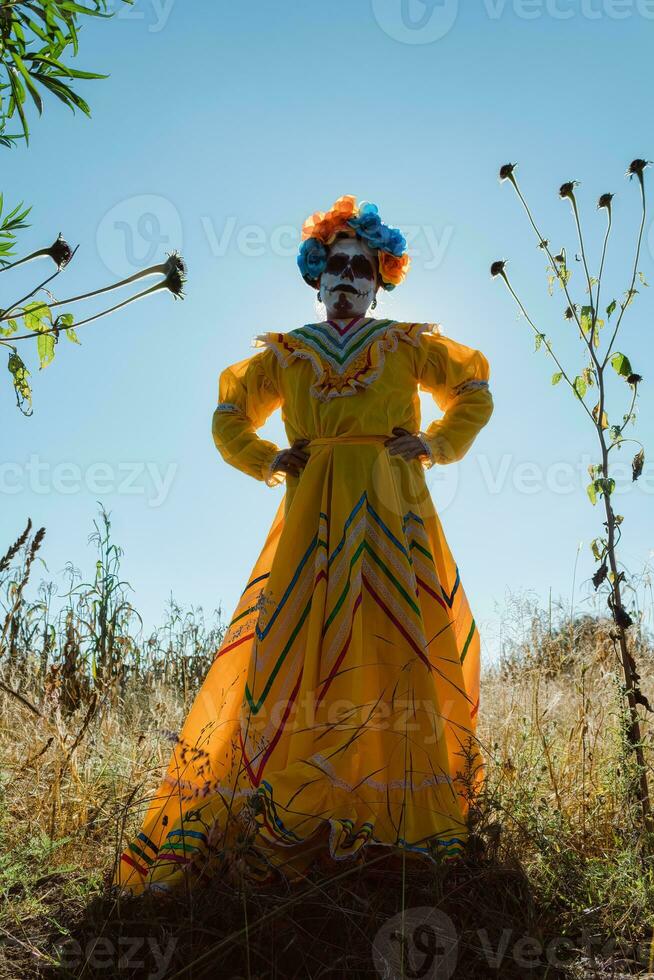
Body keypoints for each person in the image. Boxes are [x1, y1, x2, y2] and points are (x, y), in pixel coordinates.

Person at [114, 195, 493, 895]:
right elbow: (228, 413)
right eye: (334, 265)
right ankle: (290, 823)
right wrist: (266, 458)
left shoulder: (406, 344)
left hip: (392, 520)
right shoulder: (287, 352)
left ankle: (399, 831)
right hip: (309, 528)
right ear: (315, 277)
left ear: (380, 279)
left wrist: (436, 443)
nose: (347, 277)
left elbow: (473, 387)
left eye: (361, 266)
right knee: (292, 655)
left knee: (398, 655)